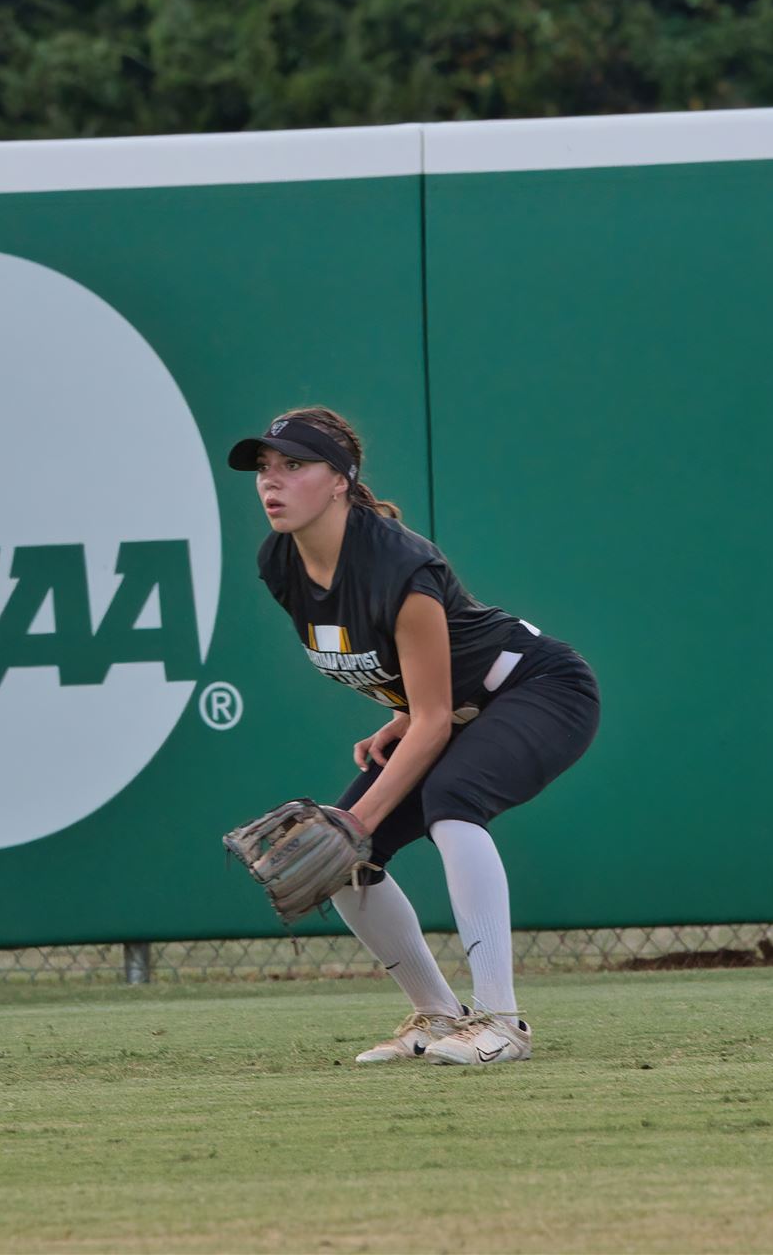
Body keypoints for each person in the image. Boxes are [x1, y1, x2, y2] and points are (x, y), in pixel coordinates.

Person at [225, 406, 601, 1065]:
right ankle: (436, 1014)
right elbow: (405, 672)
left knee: (448, 802)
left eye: (295, 465)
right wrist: (400, 716)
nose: (271, 481)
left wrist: (357, 819)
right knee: (351, 865)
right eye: (265, 467)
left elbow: (435, 721)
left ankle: (501, 1023)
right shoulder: (280, 561)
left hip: (540, 688)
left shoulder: (400, 567)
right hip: (457, 705)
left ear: (341, 480)